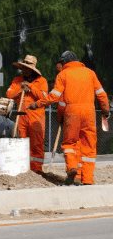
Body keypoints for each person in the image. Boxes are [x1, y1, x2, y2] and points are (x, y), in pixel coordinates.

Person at [31, 50, 110, 185]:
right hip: (89, 112)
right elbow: (101, 94)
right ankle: (87, 179)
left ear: (65, 62)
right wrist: (105, 110)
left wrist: (38, 104)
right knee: (89, 146)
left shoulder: (63, 75)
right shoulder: (90, 73)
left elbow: (55, 97)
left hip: (72, 112)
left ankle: (72, 167)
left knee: (69, 144)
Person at [6, 55, 48, 172]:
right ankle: (22, 168)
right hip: (21, 116)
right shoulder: (17, 80)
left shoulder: (41, 81)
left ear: (32, 69)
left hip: (36, 118)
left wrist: (30, 88)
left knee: (36, 144)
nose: (24, 70)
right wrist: (20, 89)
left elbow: (45, 98)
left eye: (26, 68)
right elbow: (9, 94)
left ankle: (36, 169)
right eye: (23, 67)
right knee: (20, 143)